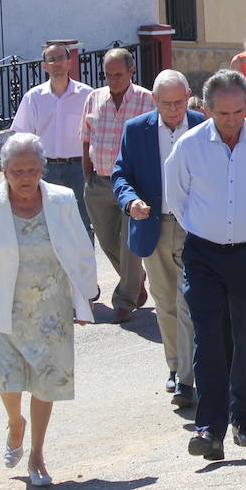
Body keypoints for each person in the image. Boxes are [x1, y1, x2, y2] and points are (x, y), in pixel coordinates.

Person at [0, 132, 97, 488]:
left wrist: (85, 298)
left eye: (32, 170)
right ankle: (15, 422)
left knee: (47, 381)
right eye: (17, 171)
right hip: (7, 306)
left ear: (42, 169)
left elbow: (81, 249)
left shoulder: (62, 200)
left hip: (53, 309)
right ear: (5, 170)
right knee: (12, 380)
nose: (26, 178)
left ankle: (37, 454)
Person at [164, 69, 246, 461]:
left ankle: (245, 419)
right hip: (204, 255)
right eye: (223, 114)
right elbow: (177, 198)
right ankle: (209, 428)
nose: (232, 120)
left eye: (238, 112)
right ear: (206, 109)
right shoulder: (189, 146)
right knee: (209, 339)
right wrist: (206, 229)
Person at [112, 70, 206, 408]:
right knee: (165, 302)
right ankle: (175, 367)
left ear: (189, 96)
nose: (173, 110)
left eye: (179, 103)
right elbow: (121, 174)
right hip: (153, 226)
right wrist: (130, 201)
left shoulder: (201, 125)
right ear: (154, 101)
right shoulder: (137, 131)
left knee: (188, 302)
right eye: (166, 104)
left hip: (193, 229)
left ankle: (188, 379)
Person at [80, 47, 154, 322]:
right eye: (108, 75)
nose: (113, 79)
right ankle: (136, 278)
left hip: (133, 184)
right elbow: (86, 137)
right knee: (106, 239)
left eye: (118, 74)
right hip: (98, 181)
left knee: (128, 241)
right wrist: (86, 175)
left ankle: (125, 299)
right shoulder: (94, 98)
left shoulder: (147, 100)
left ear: (132, 72)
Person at [10, 43, 93, 234]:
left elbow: (95, 133)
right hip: (45, 169)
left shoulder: (86, 95)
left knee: (81, 223)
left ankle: (83, 264)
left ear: (69, 62)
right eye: (51, 59)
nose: (57, 63)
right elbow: (21, 137)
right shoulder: (34, 98)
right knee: (46, 224)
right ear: (44, 66)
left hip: (78, 169)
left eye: (61, 58)